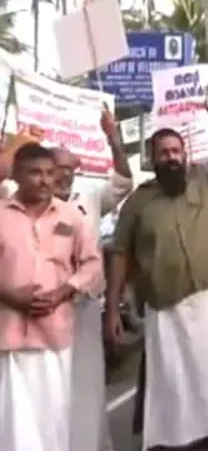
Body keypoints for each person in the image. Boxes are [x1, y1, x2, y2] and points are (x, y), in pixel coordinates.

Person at [105, 127, 208, 450]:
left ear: (185, 155)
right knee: (170, 378)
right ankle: (167, 439)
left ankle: (206, 432)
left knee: (205, 372)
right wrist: (112, 307)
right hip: (163, 303)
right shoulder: (138, 202)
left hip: (204, 299)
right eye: (163, 152)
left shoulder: (204, 185)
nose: (170, 158)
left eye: (175, 151)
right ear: (153, 158)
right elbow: (121, 253)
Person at [0, 143, 102, 451]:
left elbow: (93, 263)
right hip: (8, 337)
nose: (44, 180)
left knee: (53, 420)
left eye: (49, 173)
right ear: (16, 175)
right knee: (13, 423)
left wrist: (63, 292)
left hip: (55, 336)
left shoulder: (71, 217)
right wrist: (10, 296)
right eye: (35, 173)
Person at [55, 105, 133, 451]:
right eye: (57, 168)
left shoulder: (88, 197)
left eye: (70, 169)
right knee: (50, 387)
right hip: (42, 311)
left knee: (86, 385)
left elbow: (124, 181)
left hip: (83, 309)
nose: (63, 176)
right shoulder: (22, 201)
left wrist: (113, 139)